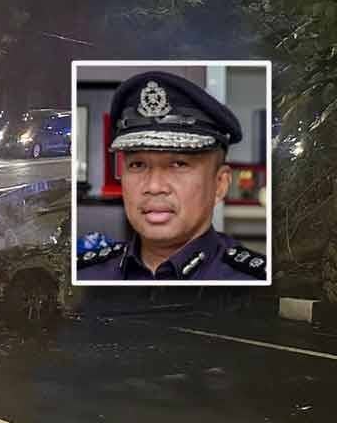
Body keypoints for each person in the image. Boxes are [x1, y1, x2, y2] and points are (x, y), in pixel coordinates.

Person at [77, 71, 267, 281]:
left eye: (178, 165)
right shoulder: (85, 276)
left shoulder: (255, 285)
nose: (155, 186)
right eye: (138, 165)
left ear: (220, 184)